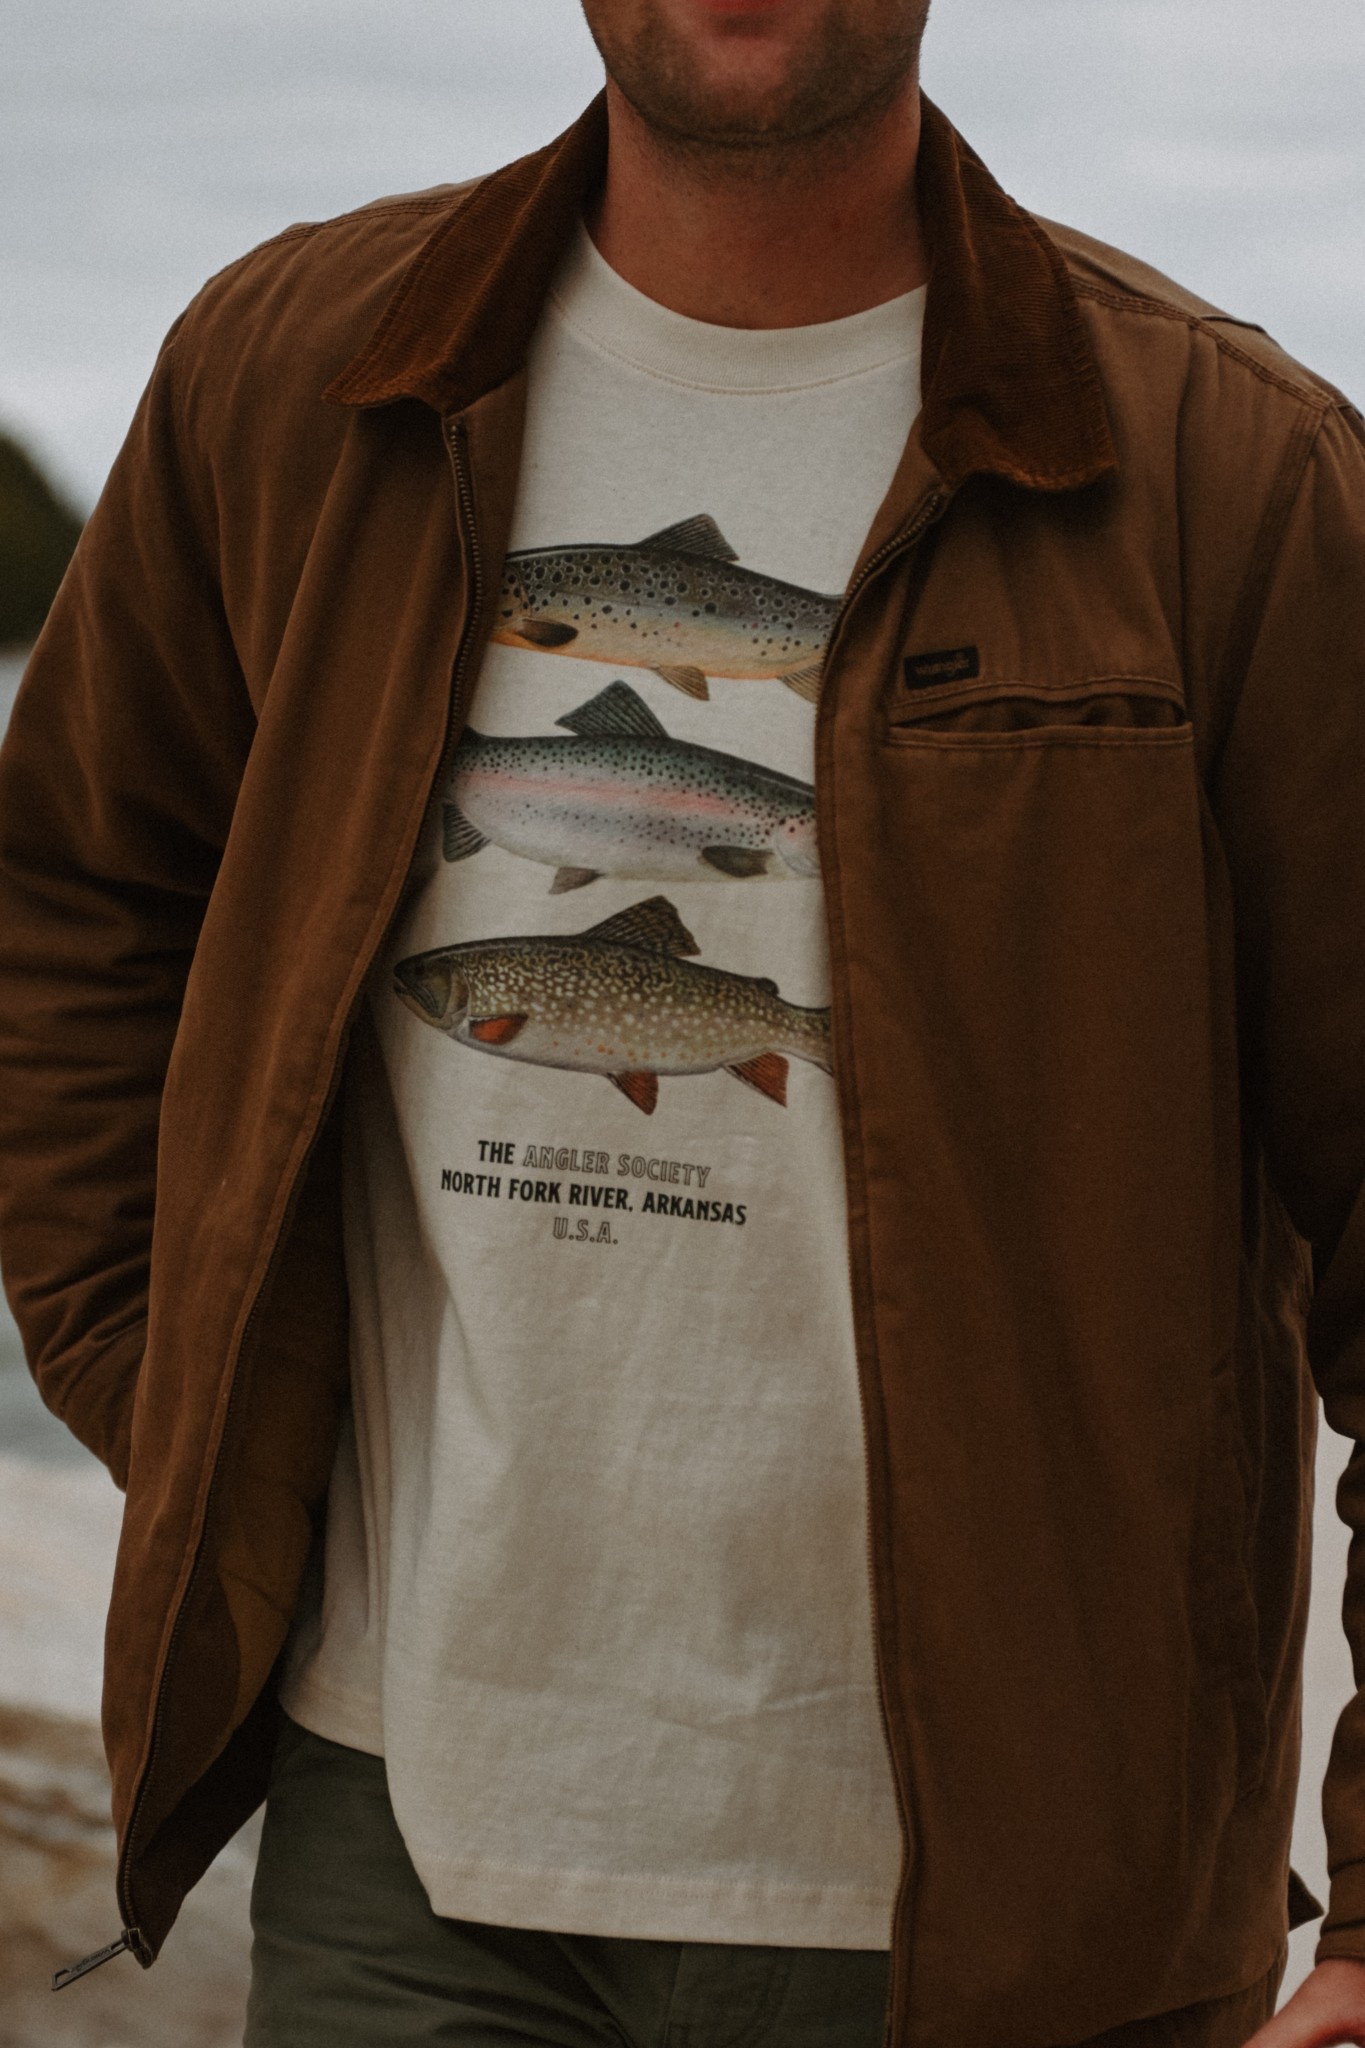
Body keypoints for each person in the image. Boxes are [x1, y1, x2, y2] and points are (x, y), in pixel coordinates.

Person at [3, 0, 1365, 2041]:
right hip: (399, 1845)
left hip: (1007, 1906)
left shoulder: (1220, 468)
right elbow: (75, 918)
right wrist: (185, 1398)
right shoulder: (289, 381)